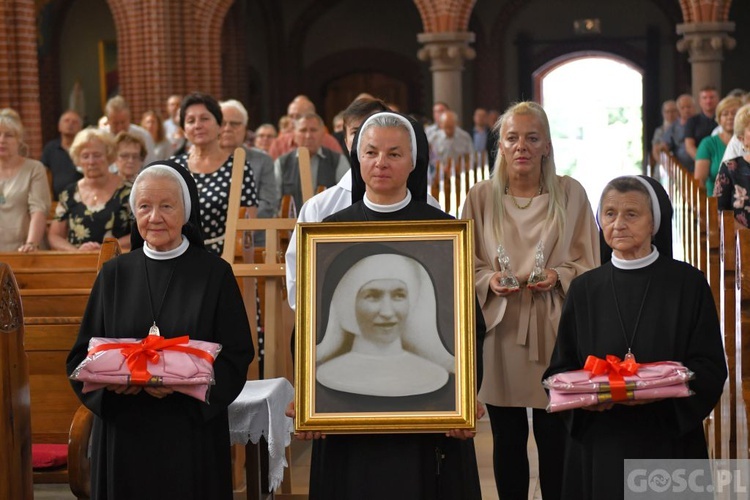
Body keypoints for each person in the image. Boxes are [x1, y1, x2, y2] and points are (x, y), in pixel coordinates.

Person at [307, 111, 484, 499]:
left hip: (427, 429)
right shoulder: (329, 232)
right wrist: (308, 398)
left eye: (394, 153)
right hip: (347, 431)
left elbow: (469, 322)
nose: (381, 163)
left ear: (414, 161)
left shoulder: (442, 230)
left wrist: (467, 393)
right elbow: (309, 319)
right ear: (357, 158)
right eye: (370, 152)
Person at [66, 160, 254, 500]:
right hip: (125, 432)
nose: (154, 217)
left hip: (190, 433)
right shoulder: (114, 274)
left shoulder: (215, 274)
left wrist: (185, 389)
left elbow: (237, 354)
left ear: (186, 211)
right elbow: (81, 357)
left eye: (166, 206)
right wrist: (111, 388)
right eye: (144, 206)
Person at [544, 175, 727, 500]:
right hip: (602, 439)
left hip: (667, 437)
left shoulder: (688, 284)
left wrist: (662, 394)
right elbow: (560, 369)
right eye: (610, 213)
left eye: (632, 214)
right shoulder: (585, 289)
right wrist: (585, 401)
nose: (619, 224)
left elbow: (710, 367)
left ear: (654, 221)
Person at [461, 101, 600, 500]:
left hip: (554, 326)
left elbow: (588, 261)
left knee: (554, 436)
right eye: (512, 138)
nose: (522, 146)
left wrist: (559, 275)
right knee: (506, 438)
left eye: (532, 138)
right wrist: (489, 279)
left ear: (547, 146)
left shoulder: (571, 193)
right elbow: (463, 263)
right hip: (501, 328)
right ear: (500, 147)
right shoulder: (480, 197)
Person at [316, 251, 453, 402]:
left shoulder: (434, 376)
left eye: (398, 295)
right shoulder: (328, 376)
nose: (387, 312)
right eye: (373, 296)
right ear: (350, 303)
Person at [170, 92, 259, 255]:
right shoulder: (173, 167)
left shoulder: (239, 167)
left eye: (204, 119)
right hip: (177, 255)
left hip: (225, 257)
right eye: (190, 121)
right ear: (183, 130)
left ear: (219, 125)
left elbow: (248, 225)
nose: (197, 125)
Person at [48, 128, 131, 252]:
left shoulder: (129, 191)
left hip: (119, 262)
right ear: (78, 160)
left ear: (108, 156)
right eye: (85, 156)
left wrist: (105, 249)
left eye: (97, 155)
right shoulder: (69, 193)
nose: (91, 162)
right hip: (78, 264)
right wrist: (76, 252)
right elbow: (54, 236)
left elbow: (141, 233)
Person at [219, 99, 280, 245]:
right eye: (222, 123)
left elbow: (268, 203)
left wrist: (237, 225)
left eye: (234, 124)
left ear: (245, 129)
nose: (227, 128)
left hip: (253, 240)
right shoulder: (202, 163)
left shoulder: (263, 160)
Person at [274, 112, 348, 213]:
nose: (308, 135)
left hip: (328, 224)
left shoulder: (338, 160)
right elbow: (274, 200)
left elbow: (347, 197)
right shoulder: (282, 163)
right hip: (291, 226)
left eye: (313, 130)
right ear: (294, 135)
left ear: (323, 134)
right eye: (303, 130)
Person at [0, 109, 51, 252]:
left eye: (8, 135)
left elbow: (38, 209)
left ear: (19, 140)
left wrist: (31, 244)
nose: (2, 140)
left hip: (25, 248)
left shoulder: (34, 168)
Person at [268, 95, 344, 159]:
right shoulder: (278, 144)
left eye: (298, 116)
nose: (293, 121)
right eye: (291, 116)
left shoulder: (329, 142)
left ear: (312, 116)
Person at [695, 95, 741, 194]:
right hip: (716, 202)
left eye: (734, 113)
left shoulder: (746, 142)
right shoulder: (708, 143)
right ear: (719, 119)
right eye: (725, 114)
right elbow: (699, 181)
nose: (730, 117)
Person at [714, 103, 750, 226]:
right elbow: (718, 213)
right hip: (740, 242)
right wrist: (745, 237)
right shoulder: (729, 168)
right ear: (741, 138)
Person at [41, 109, 83, 200]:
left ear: (80, 128)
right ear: (59, 126)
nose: (70, 124)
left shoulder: (84, 149)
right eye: (67, 121)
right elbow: (43, 172)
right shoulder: (50, 148)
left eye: (74, 122)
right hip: (56, 200)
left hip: (82, 198)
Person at [101, 95, 157, 164]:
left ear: (129, 118)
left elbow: (150, 163)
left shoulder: (143, 136)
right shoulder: (101, 137)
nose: (120, 127)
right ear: (108, 120)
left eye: (123, 122)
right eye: (115, 123)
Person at [685, 86, 719, 163]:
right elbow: (689, 146)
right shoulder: (692, 121)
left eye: (711, 97)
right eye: (705, 98)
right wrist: (703, 160)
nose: (708, 101)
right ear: (700, 101)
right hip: (699, 162)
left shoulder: (724, 121)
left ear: (717, 100)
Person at [661, 94, 696, 170]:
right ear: (678, 110)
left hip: (699, 165)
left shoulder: (701, 123)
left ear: (694, 107)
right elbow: (665, 146)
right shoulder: (673, 127)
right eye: (683, 108)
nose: (686, 110)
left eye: (689, 107)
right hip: (680, 169)